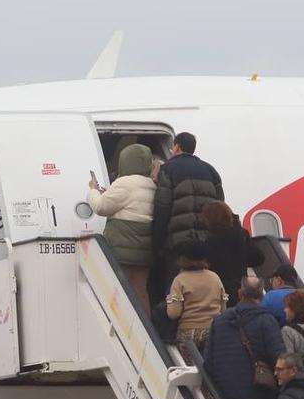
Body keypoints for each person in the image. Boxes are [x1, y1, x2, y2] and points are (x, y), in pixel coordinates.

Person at [201, 277, 284, 399]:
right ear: (262, 295)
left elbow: (208, 362)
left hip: (229, 395)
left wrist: (222, 387)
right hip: (260, 394)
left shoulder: (220, 322)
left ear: (239, 294)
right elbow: (279, 357)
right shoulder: (266, 321)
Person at [87, 143, 156, 311]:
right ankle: (145, 332)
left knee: (118, 291)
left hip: (121, 247)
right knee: (140, 291)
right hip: (145, 250)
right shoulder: (152, 185)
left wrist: (93, 191)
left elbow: (101, 207)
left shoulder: (124, 182)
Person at [151, 132, 224, 280]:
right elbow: (220, 207)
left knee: (176, 286)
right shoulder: (211, 171)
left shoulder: (168, 169)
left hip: (178, 242)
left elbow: (162, 206)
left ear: (177, 147)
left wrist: (157, 243)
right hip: (206, 241)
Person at [166, 240, 226, 352]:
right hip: (213, 330)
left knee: (190, 367)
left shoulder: (179, 280)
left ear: (182, 258)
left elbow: (173, 313)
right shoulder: (214, 277)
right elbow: (223, 308)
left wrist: (168, 301)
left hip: (188, 332)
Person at [201, 200, 264, 307]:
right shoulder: (241, 234)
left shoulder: (208, 241)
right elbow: (258, 258)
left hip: (219, 292)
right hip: (240, 290)